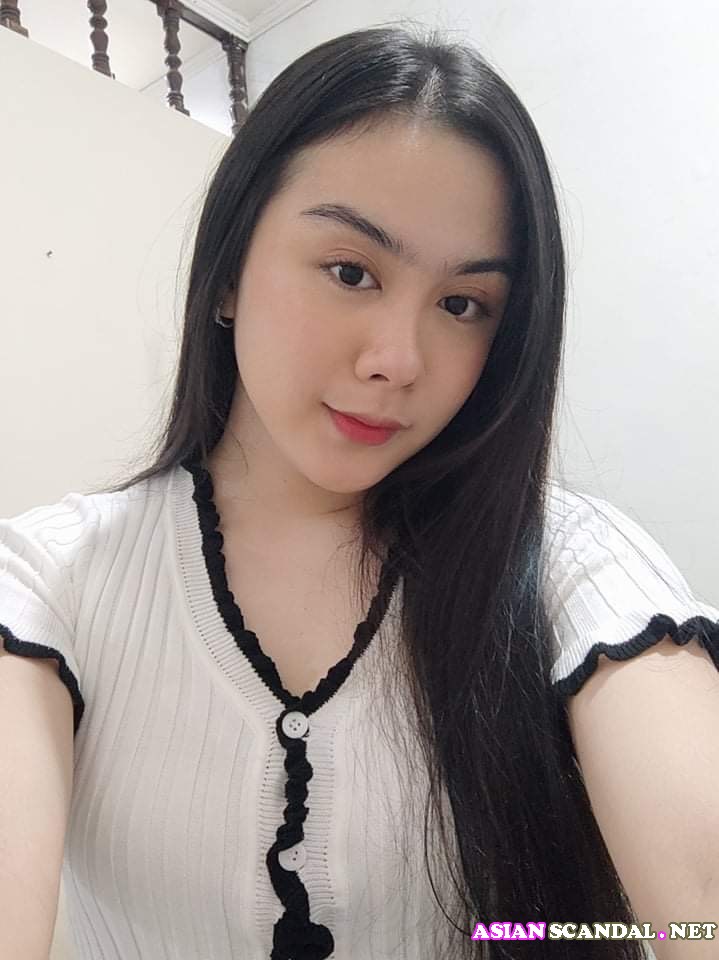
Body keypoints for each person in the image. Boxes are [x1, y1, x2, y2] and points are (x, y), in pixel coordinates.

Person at [1, 21, 717, 960]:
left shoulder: (565, 562)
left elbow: (697, 910)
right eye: (350, 272)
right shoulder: (49, 581)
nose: (398, 360)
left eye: (461, 304)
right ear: (227, 272)